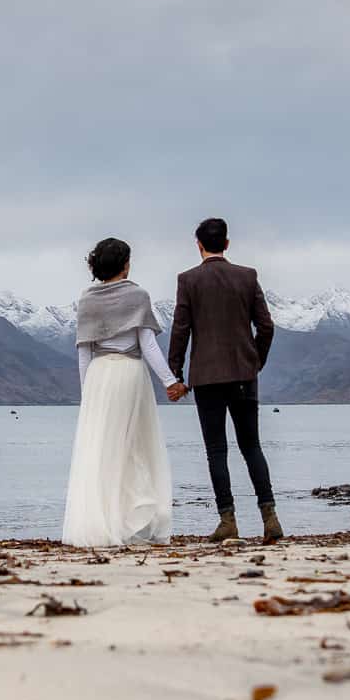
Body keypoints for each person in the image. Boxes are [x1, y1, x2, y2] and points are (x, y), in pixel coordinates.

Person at [61, 237, 186, 547]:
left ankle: (100, 522)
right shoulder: (138, 296)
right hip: (130, 374)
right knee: (135, 447)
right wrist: (170, 381)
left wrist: (87, 393)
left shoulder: (87, 300)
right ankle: (135, 521)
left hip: (99, 377)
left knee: (101, 448)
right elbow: (148, 345)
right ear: (125, 264)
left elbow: (84, 353)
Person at [166, 217, 281, 543]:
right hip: (244, 374)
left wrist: (176, 373)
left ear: (198, 245)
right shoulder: (247, 276)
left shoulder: (188, 280)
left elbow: (181, 329)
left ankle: (227, 520)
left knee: (216, 450)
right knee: (252, 446)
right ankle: (269, 517)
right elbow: (267, 326)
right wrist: (255, 361)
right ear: (226, 244)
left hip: (207, 378)